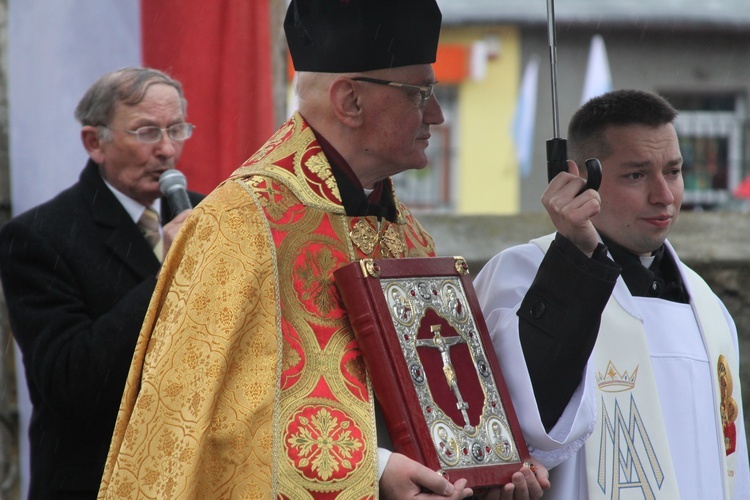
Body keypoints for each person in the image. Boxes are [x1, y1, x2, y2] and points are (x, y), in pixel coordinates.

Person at [97, 1, 549, 499]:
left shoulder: (411, 235)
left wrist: (483, 472)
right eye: (420, 94)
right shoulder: (239, 224)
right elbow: (200, 428)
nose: (437, 115)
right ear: (349, 102)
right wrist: (373, 473)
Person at [474, 89, 750, 499]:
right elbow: (511, 430)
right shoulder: (523, 275)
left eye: (673, 171)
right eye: (636, 175)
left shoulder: (706, 304)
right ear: (583, 179)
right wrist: (575, 259)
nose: (664, 195)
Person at [0, 67, 204, 499]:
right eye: (147, 132)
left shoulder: (209, 216)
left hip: (197, 476)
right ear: (95, 142)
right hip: (97, 480)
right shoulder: (41, 235)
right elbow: (70, 383)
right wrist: (168, 275)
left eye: (177, 129)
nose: (167, 149)